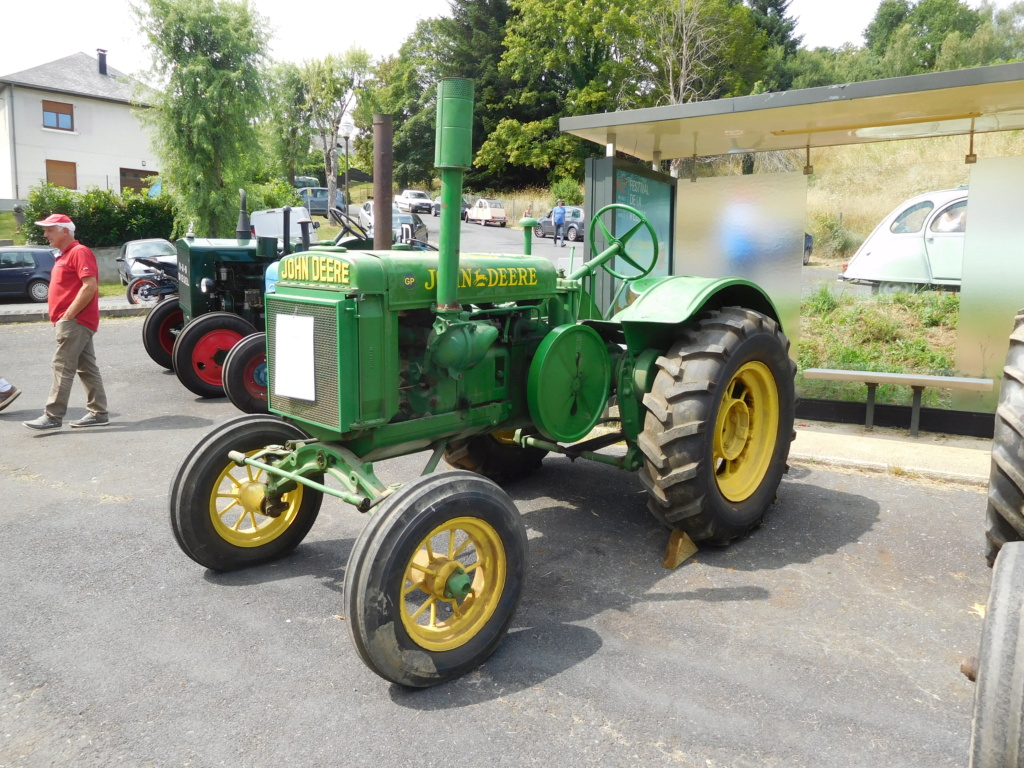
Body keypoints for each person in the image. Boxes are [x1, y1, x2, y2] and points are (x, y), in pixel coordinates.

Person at [23, 214, 109, 431]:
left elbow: (89, 286)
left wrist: (69, 315)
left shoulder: (79, 252)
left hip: (75, 322)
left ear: (64, 231)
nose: (45, 235)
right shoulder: (65, 255)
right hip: (75, 321)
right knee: (86, 368)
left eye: (50, 230)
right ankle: (99, 413)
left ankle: (52, 415)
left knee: (62, 366)